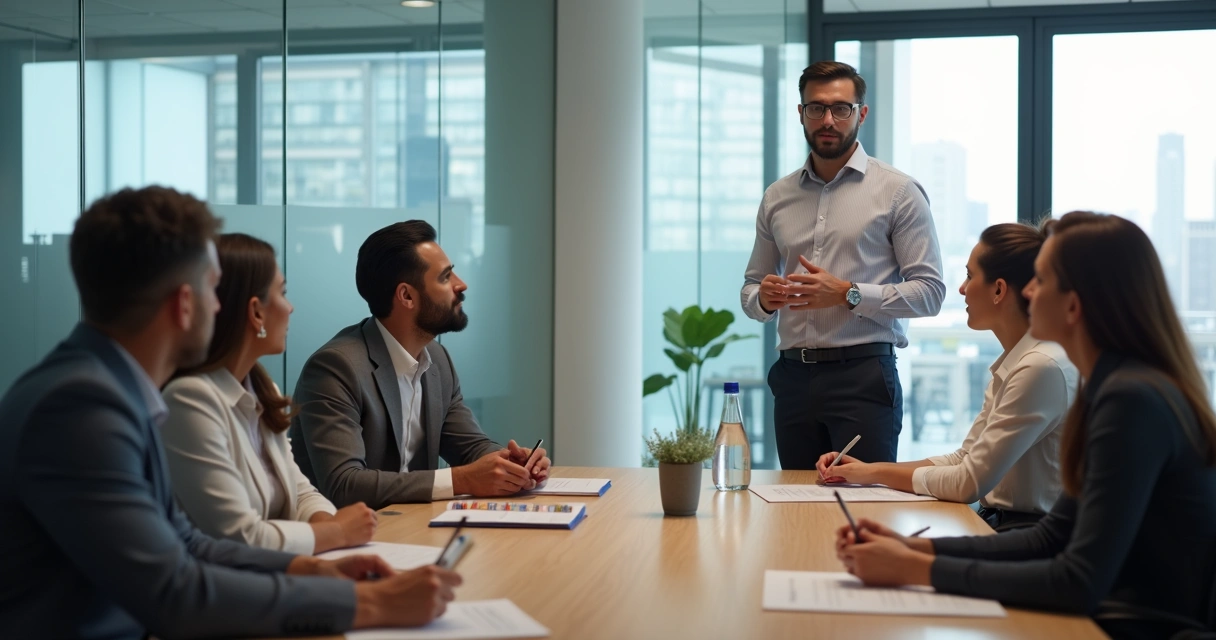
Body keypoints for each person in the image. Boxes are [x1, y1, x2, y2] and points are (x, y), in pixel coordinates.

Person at [0, 187, 460, 638]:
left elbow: (190, 545)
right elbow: (174, 594)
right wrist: (369, 603)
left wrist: (310, 571)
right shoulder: (82, 410)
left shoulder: (108, 389)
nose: (221, 305)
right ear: (184, 304)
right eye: (212, 288)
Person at [835, 212, 1216, 636]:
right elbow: (1050, 537)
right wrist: (913, 548)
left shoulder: (1131, 400)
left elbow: (1077, 582)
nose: (1029, 291)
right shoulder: (1112, 385)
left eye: (1042, 279)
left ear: (1074, 304)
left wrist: (916, 569)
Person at [741, 60, 945, 468]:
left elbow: (930, 294)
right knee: (795, 501)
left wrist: (847, 293)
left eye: (841, 108)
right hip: (792, 379)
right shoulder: (777, 197)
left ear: (861, 113)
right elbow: (750, 288)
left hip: (863, 377)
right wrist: (763, 297)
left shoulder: (898, 191)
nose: (828, 120)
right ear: (801, 113)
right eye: (816, 108)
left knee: (864, 499)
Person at [816, 223, 1078, 529]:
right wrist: (867, 470)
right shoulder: (1019, 361)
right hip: (1003, 523)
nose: (962, 289)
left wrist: (872, 474)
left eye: (969, 276)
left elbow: (969, 482)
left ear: (998, 290)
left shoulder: (1040, 366)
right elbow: (964, 458)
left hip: (1029, 531)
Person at [290, 220, 551, 510]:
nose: (461, 284)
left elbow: (470, 446)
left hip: (412, 526)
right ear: (406, 296)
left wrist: (510, 464)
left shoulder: (437, 359)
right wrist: (462, 480)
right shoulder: (336, 368)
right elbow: (344, 485)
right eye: (445, 277)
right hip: (349, 533)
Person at [161, 233, 378, 555]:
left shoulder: (262, 391)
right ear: (256, 312)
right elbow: (239, 537)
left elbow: (301, 493)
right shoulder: (189, 400)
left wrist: (331, 528)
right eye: (283, 293)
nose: (290, 307)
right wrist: (337, 533)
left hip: (277, 570)